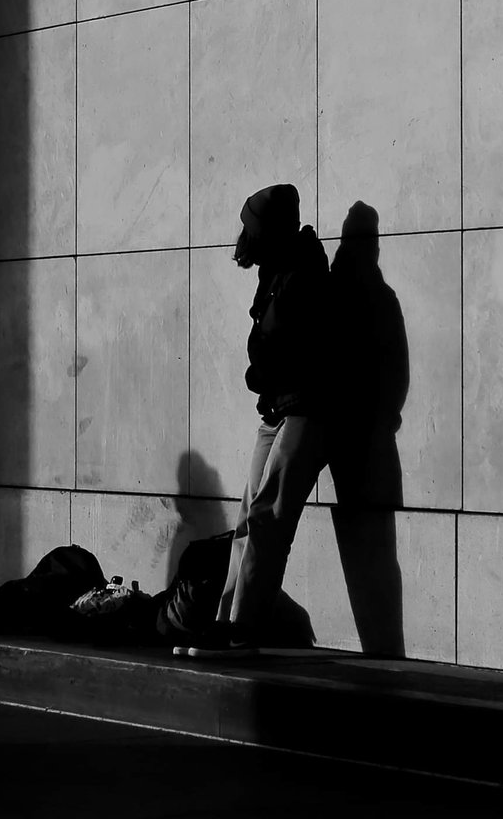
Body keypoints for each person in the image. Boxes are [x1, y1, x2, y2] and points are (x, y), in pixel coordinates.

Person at [174, 183, 330, 656]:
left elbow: (297, 347)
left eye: (252, 229)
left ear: (273, 229)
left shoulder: (304, 273)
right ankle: (225, 623)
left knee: (268, 519)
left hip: (306, 409)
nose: (246, 240)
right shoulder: (277, 271)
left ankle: (243, 629)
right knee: (249, 517)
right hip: (276, 407)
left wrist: (261, 367)